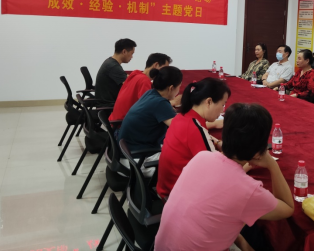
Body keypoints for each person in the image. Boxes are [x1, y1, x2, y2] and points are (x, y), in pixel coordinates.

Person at [154, 103, 295, 252]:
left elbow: (215, 216)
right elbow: (288, 208)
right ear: (259, 150)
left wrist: (242, 243)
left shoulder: (202, 157)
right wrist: (273, 165)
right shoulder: (248, 190)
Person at [157, 77, 230, 199]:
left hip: (168, 188)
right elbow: (218, 170)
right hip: (179, 196)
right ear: (209, 102)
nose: (223, 109)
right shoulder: (195, 128)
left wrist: (217, 142)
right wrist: (248, 163)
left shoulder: (181, 117)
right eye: (222, 104)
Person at [117, 66, 182, 153]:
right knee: (183, 153)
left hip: (127, 149)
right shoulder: (160, 103)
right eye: (179, 86)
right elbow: (180, 128)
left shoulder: (150, 93)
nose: (179, 90)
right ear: (171, 88)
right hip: (139, 154)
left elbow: (170, 116)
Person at [110, 53, 174, 122]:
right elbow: (150, 106)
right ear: (156, 65)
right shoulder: (144, 81)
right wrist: (172, 103)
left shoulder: (135, 75)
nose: (164, 72)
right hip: (124, 123)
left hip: (117, 121)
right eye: (164, 69)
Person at [95, 39, 136, 106]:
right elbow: (130, 84)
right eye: (132, 53)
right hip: (109, 105)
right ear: (124, 51)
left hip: (108, 101)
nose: (132, 57)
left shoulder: (110, 62)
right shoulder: (113, 66)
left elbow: (126, 77)